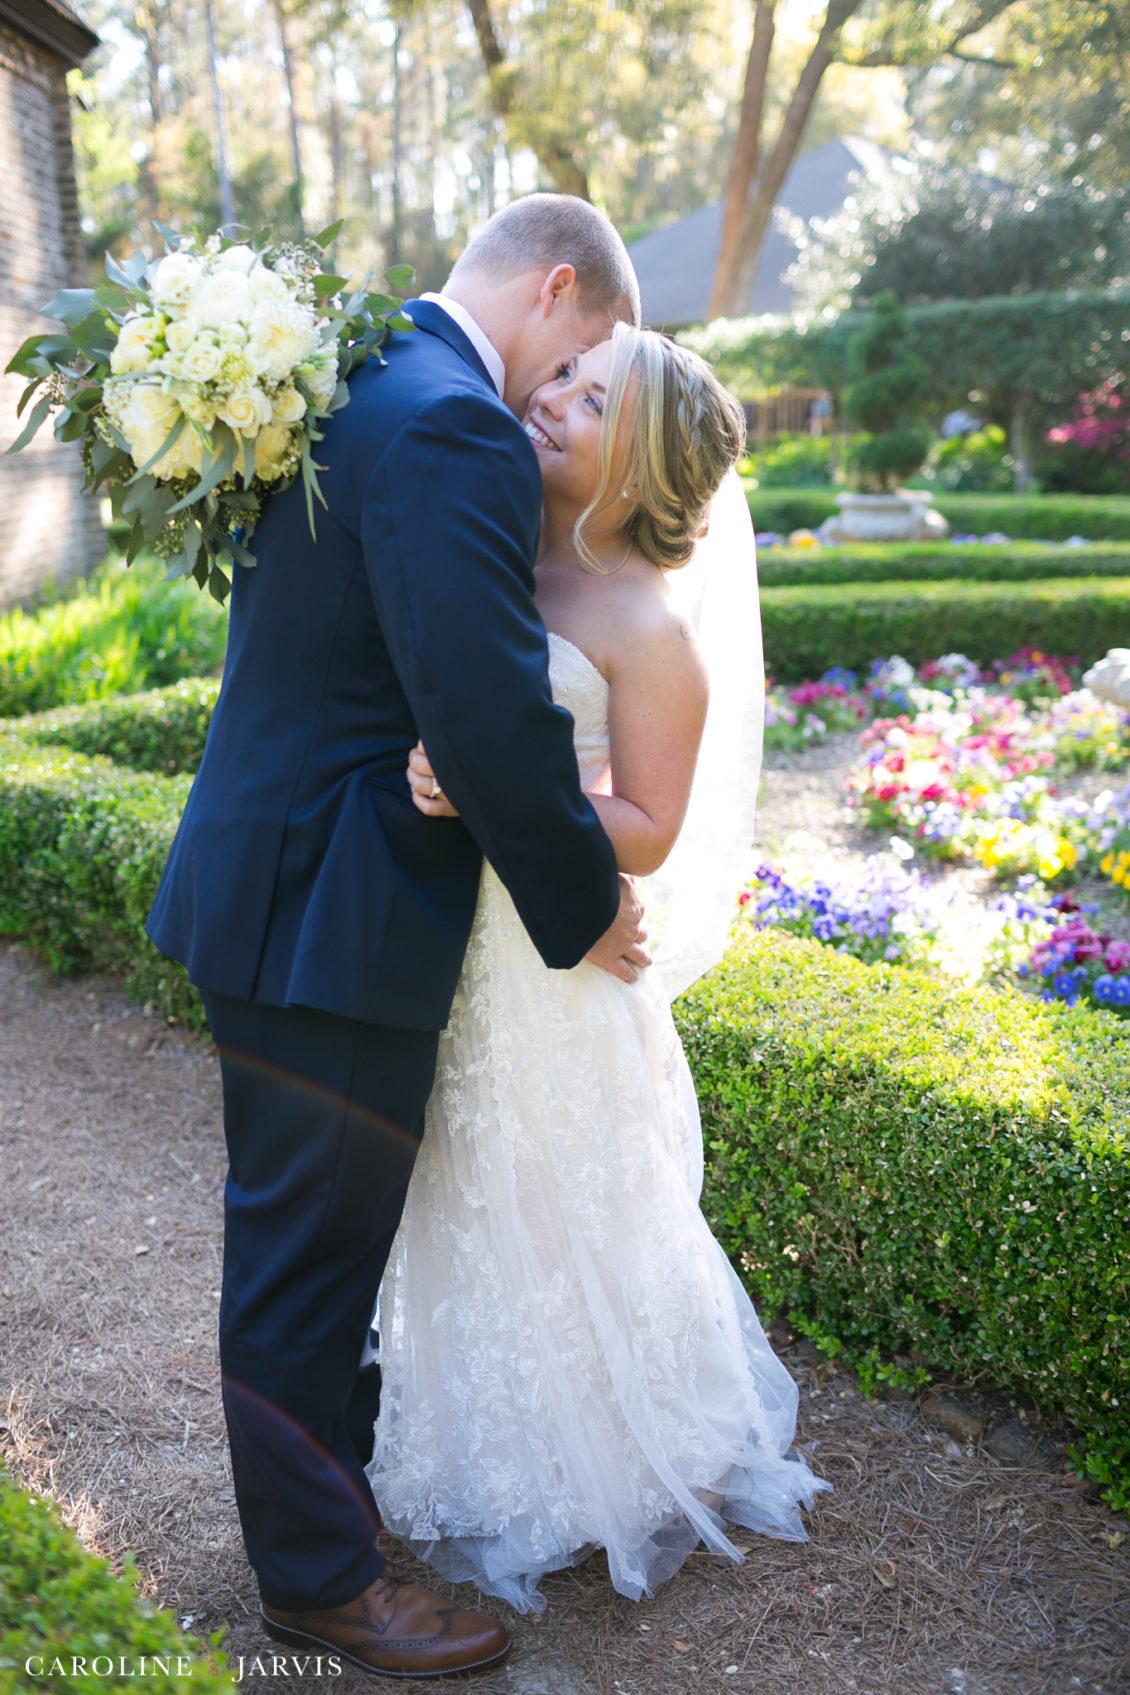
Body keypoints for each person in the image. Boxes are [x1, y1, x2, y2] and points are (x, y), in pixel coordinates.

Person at [145, 194, 651, 1680]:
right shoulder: (447, 422)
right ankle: (320, 1584)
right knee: (308, 1257)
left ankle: (330, 1521)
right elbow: (483, 704)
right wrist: (586, 904)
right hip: (337, 907)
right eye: (586, 350)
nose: (563, 391)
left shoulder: (350, 376)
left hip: (275, 876)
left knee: (306, 1244)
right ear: (558, 288)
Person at [367, 325, 830, 1614]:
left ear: (644, 463)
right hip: (451, 941)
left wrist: (489, 797)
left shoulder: (646, 626)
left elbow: (650, 826)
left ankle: (604, 1462)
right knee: (459, 1176)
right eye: (562, 374)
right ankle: (470, 1439)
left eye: (591, 394)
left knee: (556, 1189)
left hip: (553, 956)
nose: (552, 395)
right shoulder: (493, 544)